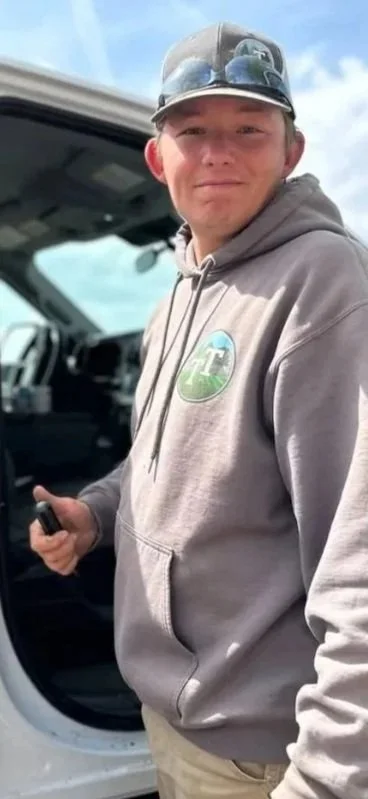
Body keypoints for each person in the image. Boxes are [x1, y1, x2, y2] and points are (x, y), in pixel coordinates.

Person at [29, 21, 368, 799]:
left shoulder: (324, 283)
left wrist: (326, 777)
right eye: (192, 130)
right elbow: (168, 459)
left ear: (291, 152)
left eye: (249, 129)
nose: (219, 152)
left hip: (262, 756)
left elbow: (358, 560)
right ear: (159, 158)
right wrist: (97, 514)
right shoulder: (175, 298)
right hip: (174, 717)